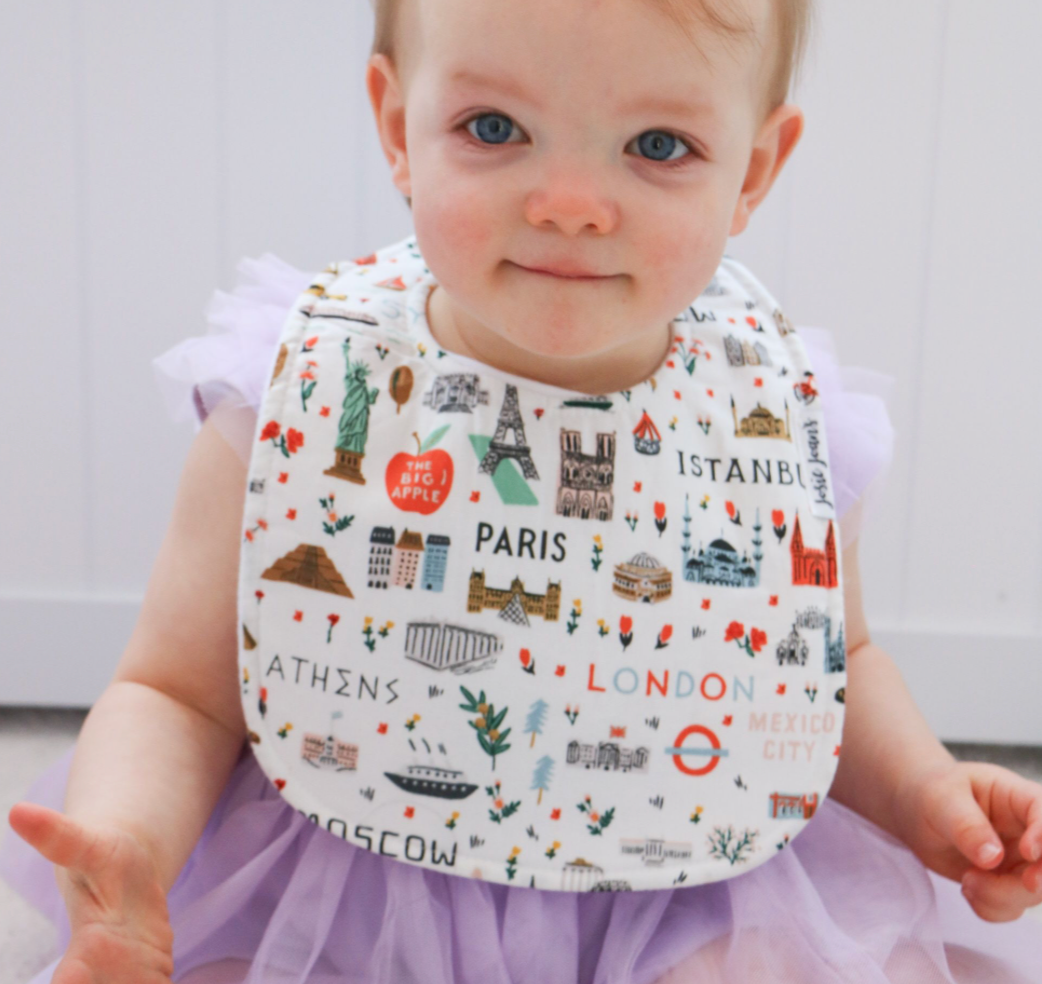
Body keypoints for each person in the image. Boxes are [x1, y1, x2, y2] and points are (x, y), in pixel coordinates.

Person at [3, 0, 1042, 980]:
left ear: (754, 169)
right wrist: (129, 837)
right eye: (494, 127)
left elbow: (829, 667)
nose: (569, 205)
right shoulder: (300, 393)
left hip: (685, 874)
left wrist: (925, 791)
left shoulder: (772, 420)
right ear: (397, 126)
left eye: (658, 145)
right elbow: (177, 692)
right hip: (353, 868)